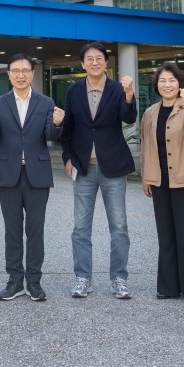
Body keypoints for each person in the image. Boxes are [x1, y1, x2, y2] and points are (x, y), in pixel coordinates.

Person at [0, 54, 64, 302]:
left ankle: (34, 281)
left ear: (32, 74)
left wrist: (58, 124)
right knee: (12, 231)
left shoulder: (46, 102)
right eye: (15, 71)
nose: (20, 75)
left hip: (37, 174)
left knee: (35, 231)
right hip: (9, 175)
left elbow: (51, 133)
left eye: (25, 70)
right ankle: (15, 280)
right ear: (9, 74)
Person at [60, 42, 137, 300]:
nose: (94, 62)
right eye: (89, 59)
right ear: (82, 64)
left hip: (112, 167)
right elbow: (67, 128)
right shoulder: (73, 91)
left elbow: (128, 118)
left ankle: (119, 279)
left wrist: (129, 95)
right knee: (80, 227)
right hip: (82, 168)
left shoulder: (117, 89)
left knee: (119, 226)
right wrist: (67, 157)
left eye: (99, 58)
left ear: (106, 62)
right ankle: (83, 278)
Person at [140, 63, 184, 303]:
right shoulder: (150, 113)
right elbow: (146, 147)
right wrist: (147, 177)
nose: (167, 85)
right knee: (165, 234)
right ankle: (169, 287)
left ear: (180, 84)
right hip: (160, 181)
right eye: (162, 81)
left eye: (171, 80)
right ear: (156, 85)